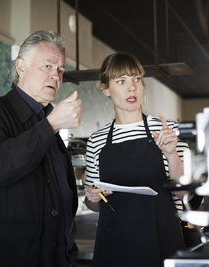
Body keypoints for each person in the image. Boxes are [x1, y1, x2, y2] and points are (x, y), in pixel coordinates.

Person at [0, 30, 82, 267]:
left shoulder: (48, 122)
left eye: (60, 70)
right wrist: (51, 125)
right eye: (47, 66)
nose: (55, 76)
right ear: (21, 67)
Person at [84, 52, 189, 267]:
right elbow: (94, 204)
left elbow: (185, 193)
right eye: (121, 81)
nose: (132, 87)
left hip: (162, 242)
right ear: (105, 89)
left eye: (137, 79)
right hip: (115, 246)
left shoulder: (167, 130)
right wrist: (93, 198)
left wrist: (171, 153)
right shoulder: (96, 140)